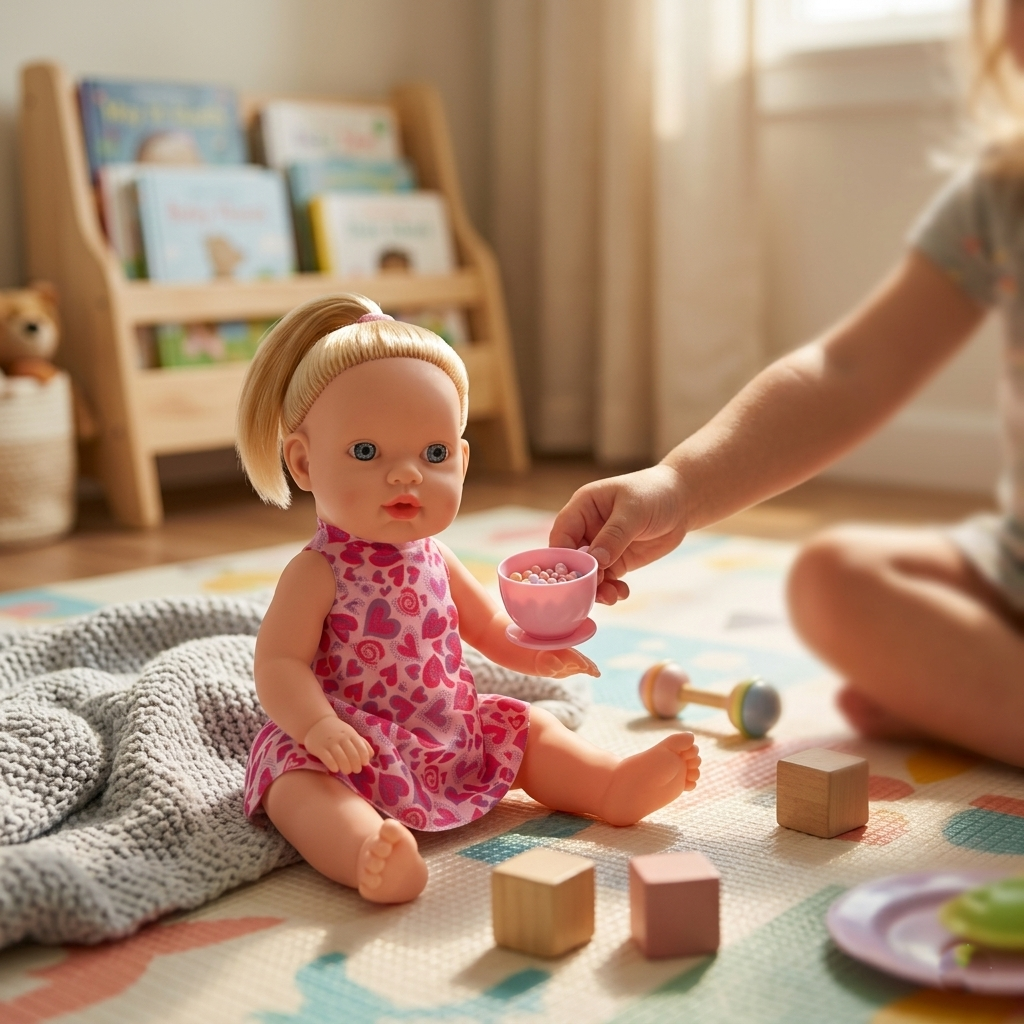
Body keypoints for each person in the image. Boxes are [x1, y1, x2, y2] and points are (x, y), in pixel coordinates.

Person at [550, 0, 1024, 769]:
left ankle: (970, 701)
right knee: (833, 580)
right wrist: (679, 484)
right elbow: (848, 371)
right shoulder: (1002, 195)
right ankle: (976, 699)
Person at [234, 294, 701, 905]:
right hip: (349, 743)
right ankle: (365, 850)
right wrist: (318, 726)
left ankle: (608, 785)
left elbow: (487, 627)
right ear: (303, 462)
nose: (407, 476)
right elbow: (278, 664)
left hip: (444, 730)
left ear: (462, 459)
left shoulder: (435, 554)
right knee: (294, 781)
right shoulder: (317, 572)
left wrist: (539, 655)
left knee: (524, 723)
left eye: (434, 455)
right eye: (367, 453)